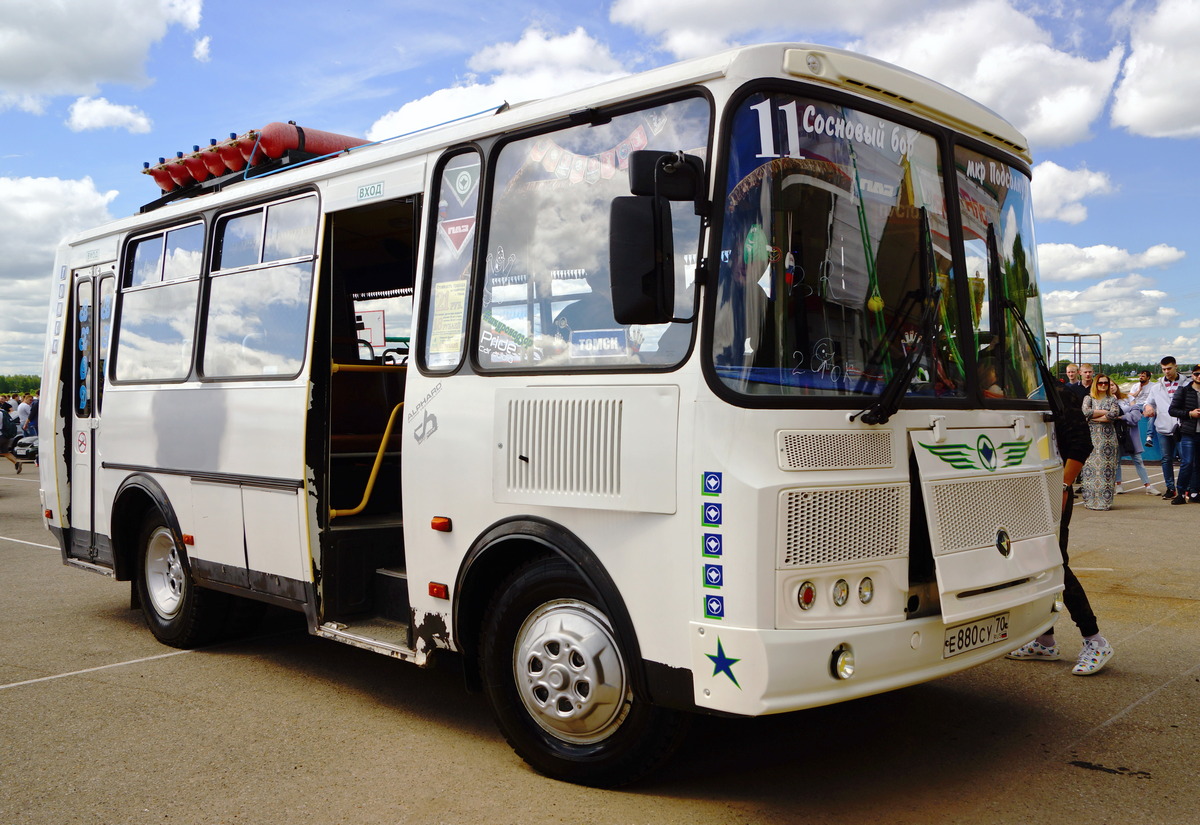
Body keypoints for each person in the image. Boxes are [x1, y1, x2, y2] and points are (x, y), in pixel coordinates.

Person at [1007, 383, 1113, 674]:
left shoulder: (1054, 393)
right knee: (1036, 563)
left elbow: (1081, 443)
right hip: (1022, 491)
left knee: (1056, 563)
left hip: (1052, 490)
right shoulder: (1005, 395)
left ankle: (1095, 640)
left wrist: (1064, 484)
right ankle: (1045, 639)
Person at [1143, 356, 1185, 500]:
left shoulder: (1187, 384)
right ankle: (1170, 488)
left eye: (1169, 368)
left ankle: (1184, 488)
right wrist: (1148, 407)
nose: (1167, 371)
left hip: (1182, 427)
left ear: (1176, 367)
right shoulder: (1157, 387)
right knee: (1166, 459)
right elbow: (1149, 403)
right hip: (1163, 427)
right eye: (1164, 369)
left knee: (1186, 460)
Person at [1079, 374, 1121, 510]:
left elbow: (1113, 415)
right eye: (1100, 383)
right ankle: (1089, 501)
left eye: (1106, 383)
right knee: (1089, 470)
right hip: (1090, 438)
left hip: (1107, 440)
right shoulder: (1088, 398)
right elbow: (1085, 412)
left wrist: (1094, 417)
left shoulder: (1112, 399)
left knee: (1106, 470)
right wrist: (1104, 412)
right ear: (1095, 384)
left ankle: (1105, 502)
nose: (1103, 385)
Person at [1114, 382, 1159, 495]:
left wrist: (1122, 416)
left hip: (1130, 434)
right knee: (1117, 460)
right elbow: (1110, 416)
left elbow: (1136, 415)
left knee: (1138, 459)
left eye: (1112, 384)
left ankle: (1148, 486)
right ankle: (1118, 485)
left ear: (1116, 385)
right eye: (1106, 384)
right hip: (1115, 433)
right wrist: (1125, 414)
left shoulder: (1128, 397)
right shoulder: (1106, 400)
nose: (1110, 387)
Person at [1167, 364, 1200, 505]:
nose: (1199, 376)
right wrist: (1189, 414)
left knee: (1198, 464)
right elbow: (1172, 410)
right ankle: (1180, 492)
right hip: (1188, 432)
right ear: (1192, 375)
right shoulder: (1184, 391)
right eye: (1197, 373)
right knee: (1187, 462)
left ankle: (1194, 492)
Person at [0, 401, 22, 472]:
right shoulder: (3, 412)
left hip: (0, 435)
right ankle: (16, 462)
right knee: (5, 452)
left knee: (4, 452)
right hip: (5, 435)